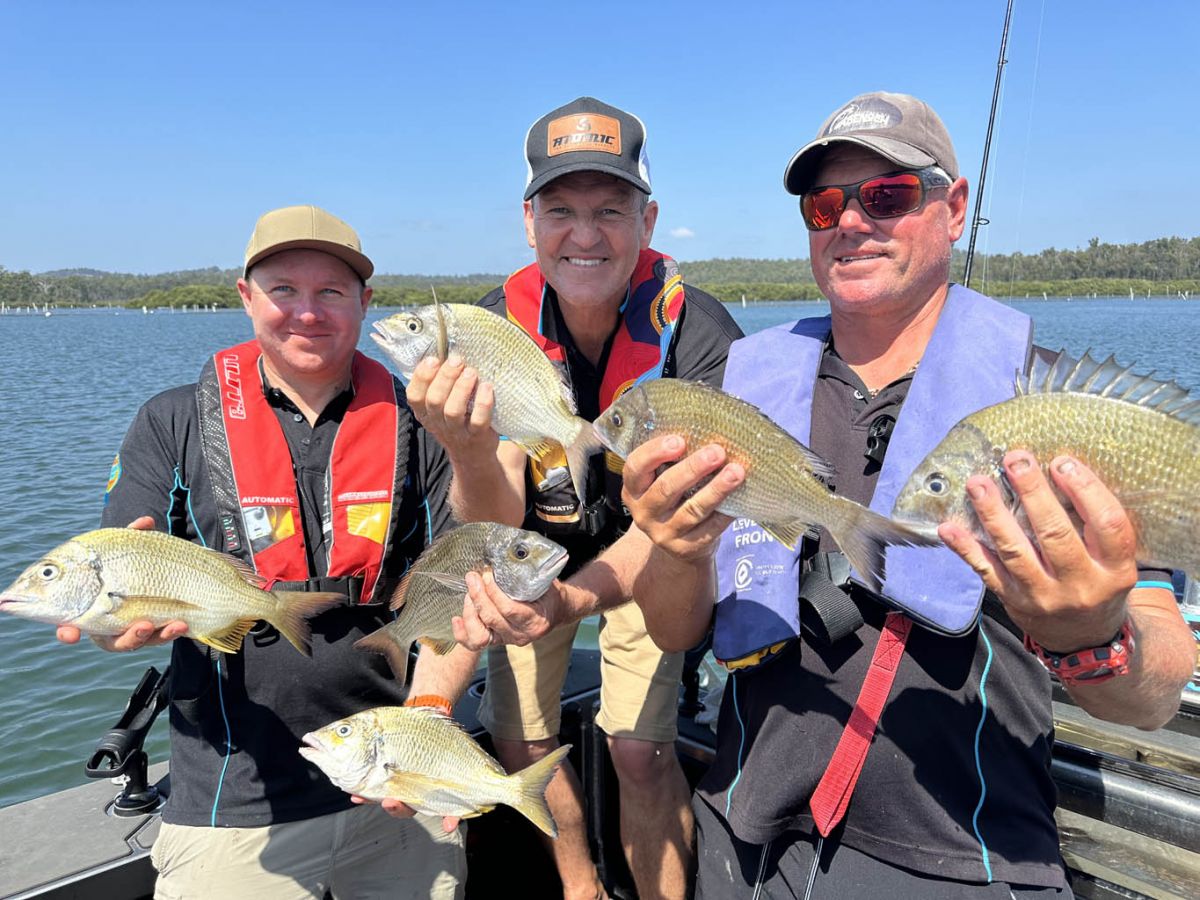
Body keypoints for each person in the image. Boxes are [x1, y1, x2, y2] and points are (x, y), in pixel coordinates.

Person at [458, 93, 1197, 897]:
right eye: (824, 204)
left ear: (954, 210)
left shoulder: (1049, 405)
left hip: (960, 852)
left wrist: (1094, 638)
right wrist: (674, 544)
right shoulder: (750, 389)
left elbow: (1154, 694)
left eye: (887, 196)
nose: (850, 222)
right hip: (744, 832)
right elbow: (678, 629)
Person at [57, 205, 474, 899]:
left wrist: (431, 709)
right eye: (283, 289)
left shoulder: (419, 421)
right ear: (246, 297)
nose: (307, 313)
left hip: (400, 781)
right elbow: (121, 582)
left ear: (365, 304)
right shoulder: (172, 422)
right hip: (235, 803)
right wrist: (113, 629)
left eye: (331, 292)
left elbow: (458, 595)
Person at [408, 97, 742, 900]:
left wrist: (566, 603)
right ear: (529, 222)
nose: (584, 235)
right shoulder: (490, 332)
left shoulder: (698, 336)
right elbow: (491, 525)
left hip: (653, 556)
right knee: (519, 739)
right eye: (561, 210)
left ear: (647, 219)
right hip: (532, 545)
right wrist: (466, 445)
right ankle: (581, 885)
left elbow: (679, 532)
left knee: (639, 750)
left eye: (610, 210)